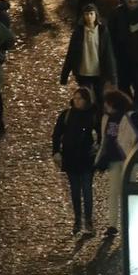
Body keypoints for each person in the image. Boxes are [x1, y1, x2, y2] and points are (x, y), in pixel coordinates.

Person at [95, 88, 138, 240]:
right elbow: (105, 140)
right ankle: (113, 225)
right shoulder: (106, 119)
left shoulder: (130, 117)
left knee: (127, 193)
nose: (105, 106)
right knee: (113, 193)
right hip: (114, 160)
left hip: (129, 160)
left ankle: (130, 223)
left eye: (107, 103)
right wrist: (100, 159)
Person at [51, 86, 99, 236]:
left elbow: (100, 134)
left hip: (86, 158)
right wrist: (56, 152)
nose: (76, 101)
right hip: (71, 158)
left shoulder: (93, 116)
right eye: (75, 98)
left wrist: (97, 147)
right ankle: (78, 219)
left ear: (86, 100)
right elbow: (56, 134)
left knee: (86, 189)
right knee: (75, 190)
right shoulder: (67, 115)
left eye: (80, 98)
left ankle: (88, 221)